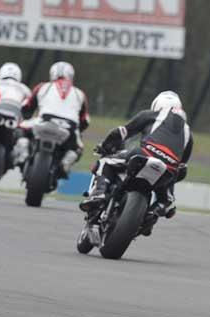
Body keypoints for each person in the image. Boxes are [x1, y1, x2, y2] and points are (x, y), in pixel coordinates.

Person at [79, 91, 192, 226]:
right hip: (167, 171)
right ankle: (157, 210)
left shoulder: (150, 115)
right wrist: (170, 180)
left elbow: (121, 132)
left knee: (105, 162)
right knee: (168, 190)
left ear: (157, 105)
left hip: (142, 155)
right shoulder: (188, 134)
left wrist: (104, 146)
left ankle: (99, 193)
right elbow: (182, 169)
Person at [21, 61, 89, 176]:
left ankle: (22, 154)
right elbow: (85, 120)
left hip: (45, 121)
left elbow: (27, 106)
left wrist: (27, 116)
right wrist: (78, 130)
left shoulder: (42, 87)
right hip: (69, 127)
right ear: (71, 75)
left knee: (20, 128)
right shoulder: (80, 93)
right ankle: (65, 163)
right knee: (78, 148)